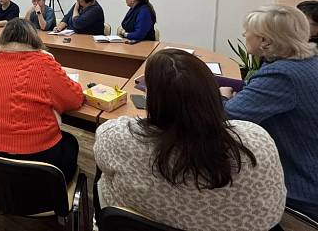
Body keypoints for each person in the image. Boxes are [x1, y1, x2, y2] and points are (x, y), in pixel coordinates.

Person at [95, 48, 286, 231]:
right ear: (212, 93)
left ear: (153, 99)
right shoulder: (257, 141)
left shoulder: (115, 137)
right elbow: (274, 209)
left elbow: (104, 158)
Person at [222, 5, 318, 221]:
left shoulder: (282, 75)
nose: (244, 34)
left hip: (299, 189)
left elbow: (227, 115)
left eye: (248, 31)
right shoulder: (306, 62)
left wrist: (223, 96)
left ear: (265, 41)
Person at [0, 18, 84, 180]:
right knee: (71, 142)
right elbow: (75, 99)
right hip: (38, 165)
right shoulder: (43, 62)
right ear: (34, 39)